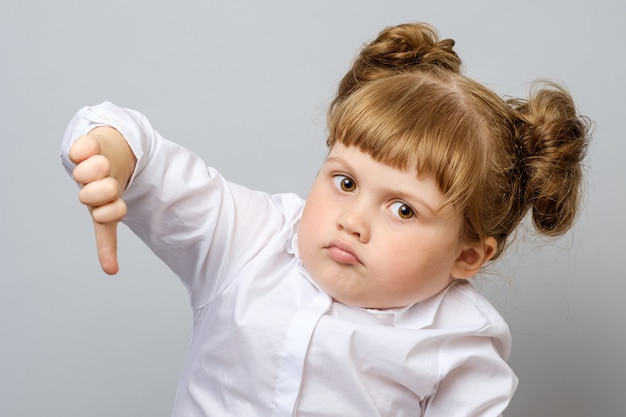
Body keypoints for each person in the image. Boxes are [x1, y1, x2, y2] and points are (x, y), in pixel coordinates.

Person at [60, 22, 590, 416]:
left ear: (468, 255)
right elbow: (145, 155)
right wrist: (112, 152)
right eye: (345, 182)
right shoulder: (247, 237)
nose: (353, 221)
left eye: (403, 209)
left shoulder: (461, 344)